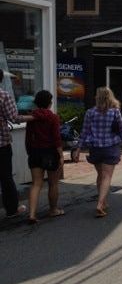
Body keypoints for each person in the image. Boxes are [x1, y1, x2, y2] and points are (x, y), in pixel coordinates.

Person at [74, 87, 122, 217]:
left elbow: (84, 131)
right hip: (110, 147)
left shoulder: (90, 112)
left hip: (95, 148)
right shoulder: (115, 112)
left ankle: (103, 202)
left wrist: (78, 149)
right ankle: (100, 203)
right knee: (107, 176)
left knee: (100, 175)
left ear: (97, 98)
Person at [25, 90, 64, 224]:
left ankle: (32, 214)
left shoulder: (32, 117)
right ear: (49, 102)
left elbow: (28, 138)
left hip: (35, 152)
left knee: (36, 183)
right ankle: (53, 210)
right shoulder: (53, 118)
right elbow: (56, 138)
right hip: (50, 153)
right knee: (53, 183)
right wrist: (60, 155)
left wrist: (30, 151)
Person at [0, 68, 27, 218]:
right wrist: (32, 117)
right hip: (1, 143)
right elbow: (14, 118)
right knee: (5, 176)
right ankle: (12, 209)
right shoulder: (3, 95)